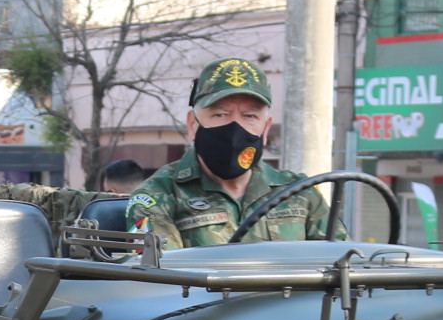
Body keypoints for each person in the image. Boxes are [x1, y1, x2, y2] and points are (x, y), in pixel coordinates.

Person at [127, 58, 331, 250]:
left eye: (250, 116)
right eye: (220, 114)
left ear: (266, 128)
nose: (236, 127)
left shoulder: (301, 193)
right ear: (192, 124)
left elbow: (344, 266)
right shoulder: (158, 195)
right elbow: (163, 278)